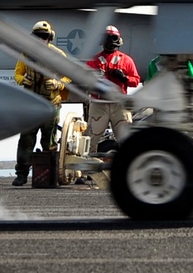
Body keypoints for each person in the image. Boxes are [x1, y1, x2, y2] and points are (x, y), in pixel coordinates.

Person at [12, 20, 71, 186]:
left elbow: (68, 76)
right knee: (26, 140)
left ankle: (49, 175)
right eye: (37, 37)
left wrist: (58, 84)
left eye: (43, 37)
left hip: (51, 105)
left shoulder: (59, 56)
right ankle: (22, 174)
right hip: (30, 106)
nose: (40, 40)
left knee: (49, 141)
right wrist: (24, 79)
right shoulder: (26, 55)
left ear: (49, 38)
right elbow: (17, 74)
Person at [85, 25, 141, 145]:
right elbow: (84, 81)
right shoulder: (93, 61)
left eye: (113, 37)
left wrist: (124, 78)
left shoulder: (126, 60)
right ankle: (88, 159)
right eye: (107, 37)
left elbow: (135, 81)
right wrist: (94, 79)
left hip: (119, 103)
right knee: (91, 139)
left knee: (126, 140)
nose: (110, 41)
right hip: (99, 104)